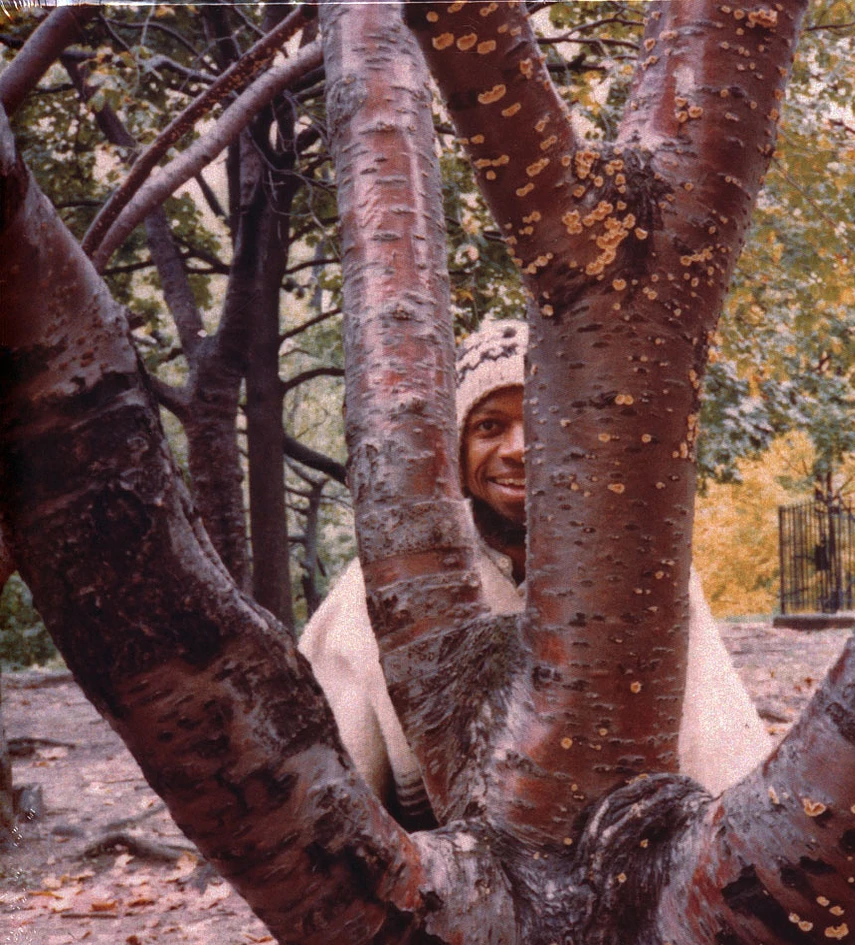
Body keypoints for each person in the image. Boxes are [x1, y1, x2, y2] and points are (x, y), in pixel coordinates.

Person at [298, 320, 771, 828]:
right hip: (441, 860)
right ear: (457, 448)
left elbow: (719, 744)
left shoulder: (638, 559)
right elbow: (328, 778)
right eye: (489, 427)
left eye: (540, 418)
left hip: (620, 848)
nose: (519, 448)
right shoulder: (398, 567)